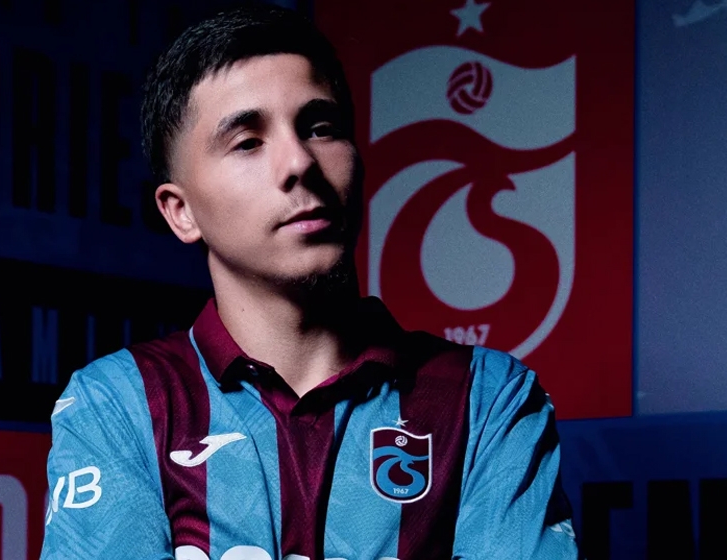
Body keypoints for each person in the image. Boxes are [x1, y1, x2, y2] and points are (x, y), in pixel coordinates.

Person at [40, 4, 582, 559]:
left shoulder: (488, 398)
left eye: (321, 128)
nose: (299, 161)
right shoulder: (117, 404)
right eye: (248, 141)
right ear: (182, 212)